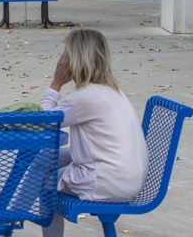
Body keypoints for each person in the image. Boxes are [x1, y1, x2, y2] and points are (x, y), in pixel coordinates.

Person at [39, 29, 148, 237]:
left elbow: (43, 123)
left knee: (44, 183)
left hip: (109, 181)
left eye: (66, 54)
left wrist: (56, 83)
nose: (62, 61)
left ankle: (15, 213)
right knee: (45, 158)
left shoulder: (86, 97)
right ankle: (16, 209)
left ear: (76, 59)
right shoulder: (111, 90)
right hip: (125, 176)